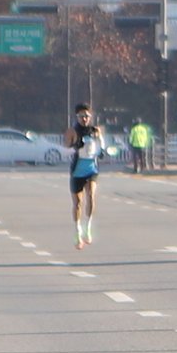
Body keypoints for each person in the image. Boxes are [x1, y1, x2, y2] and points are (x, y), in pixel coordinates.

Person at [64, 103, 105, 249]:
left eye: (87, 116)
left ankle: (88, 227)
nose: (84, 119)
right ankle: (77, 232)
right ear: (77, 117)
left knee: (91, 195)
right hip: (77, 170)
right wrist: (76, 145)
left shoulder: (96, 131)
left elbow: (101, 146)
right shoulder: (72, 131)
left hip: (91, 168)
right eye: (82, 116)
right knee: (78, 203)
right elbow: (66, 148)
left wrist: (102, 151)